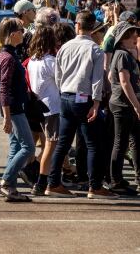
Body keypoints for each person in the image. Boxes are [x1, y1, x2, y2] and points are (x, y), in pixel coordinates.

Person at [46, 11, 117, 199]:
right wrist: (96, 103)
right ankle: (95, 186)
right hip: (83, 98)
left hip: (66, 97)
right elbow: (97, 80)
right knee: (93, 144)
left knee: (63, 143)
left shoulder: (65, 47)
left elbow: (58, 74)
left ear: (77, 26)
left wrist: (64, 92)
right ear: (93, 28)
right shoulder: (94, 49)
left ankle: (52, 183)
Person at [0, 17, 34, 202]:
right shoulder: (8, 57)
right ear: (13, 35)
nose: (24, 33)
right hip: (13, 108)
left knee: (16, 146)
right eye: (21, 30)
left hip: (15, 107)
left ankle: (10, 186)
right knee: (28, 147)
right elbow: (4, 87)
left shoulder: (10, 54)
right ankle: (6, 182)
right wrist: (7, 116)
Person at [26, 26, 61, 196]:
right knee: (50, 144)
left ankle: (38, 173)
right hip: (52, 107)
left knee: (49, 143)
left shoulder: (32, 60)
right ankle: (41, 181)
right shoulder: (51, 62)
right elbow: (62, 82)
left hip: (40, 106)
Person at [107, 21, 140, 195]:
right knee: (121, 143)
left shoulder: (124, 54)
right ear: (122, 38)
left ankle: (131, 179)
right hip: (123, 105)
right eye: (131, 34)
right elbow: (124, 82)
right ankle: (116, 181)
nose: (135, 37)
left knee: (133, 141)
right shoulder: (122, 55)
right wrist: (137, 106)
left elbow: (112, 75)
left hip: (125, 104)